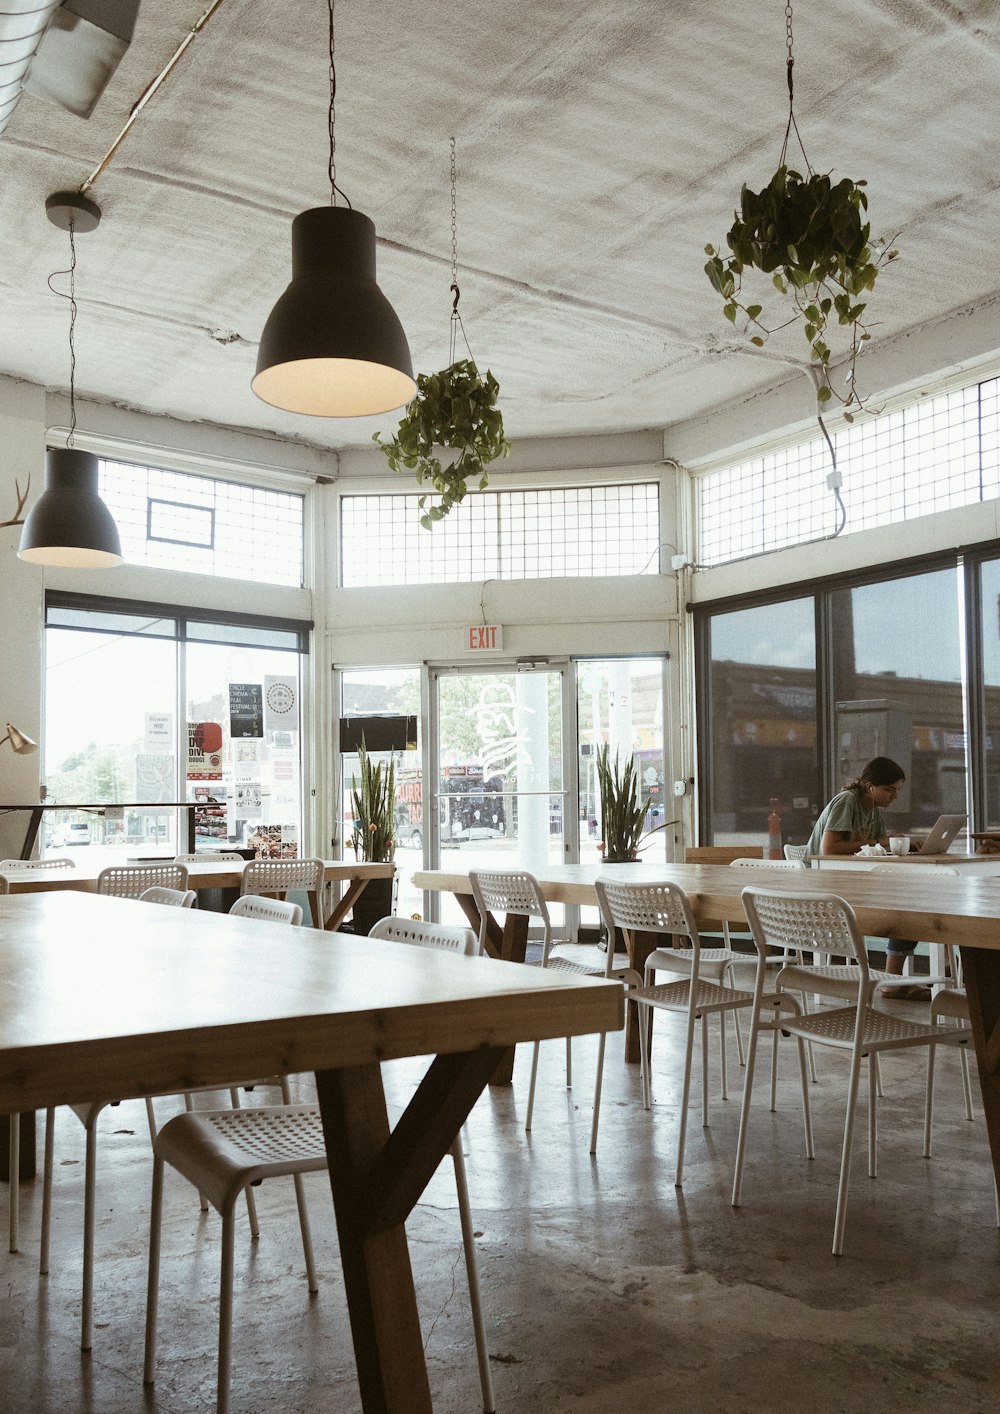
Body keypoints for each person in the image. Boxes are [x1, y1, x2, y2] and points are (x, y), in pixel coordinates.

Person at [806, 756, 926, 997]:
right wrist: (877, 841)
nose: (894, 796)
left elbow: (879, 849)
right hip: (822, 882)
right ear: (870, 787)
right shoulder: (846, 801)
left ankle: (893, 979)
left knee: (910, 903)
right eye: (888, 789)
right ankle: (893, 981)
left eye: (898, 790)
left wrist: (902, 844)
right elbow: (828, 850)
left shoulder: (873, 810)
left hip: (853, 880)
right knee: (902, 908)